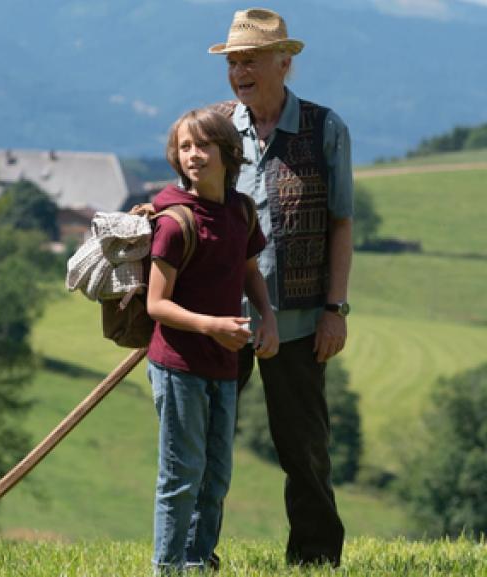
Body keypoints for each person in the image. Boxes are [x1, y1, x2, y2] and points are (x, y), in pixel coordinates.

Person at [208, 7, 354, 567]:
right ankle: (195, 554)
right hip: (224, 322)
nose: (240, 72)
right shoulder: (215, 129)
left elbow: (342, 223)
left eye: (250, 61)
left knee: (304, 448)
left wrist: (335, 309)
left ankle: (315, 557)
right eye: (233, 63)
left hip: (297, 324)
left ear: (284, 62)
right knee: (210, 445)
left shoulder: (325, 128)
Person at [144, 107, 279, 573]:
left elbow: (248, 270)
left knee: (216, 475)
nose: (193, 155)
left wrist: (268, 319)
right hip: (179, 364)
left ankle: (199, 561)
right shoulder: (174, 221)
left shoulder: (240, 210)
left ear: (228, 152)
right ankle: (167, 566)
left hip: (225, 363)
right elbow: (156, 305)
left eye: (203, 145)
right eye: (184, 147)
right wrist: (213, 326)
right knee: (181, 475)